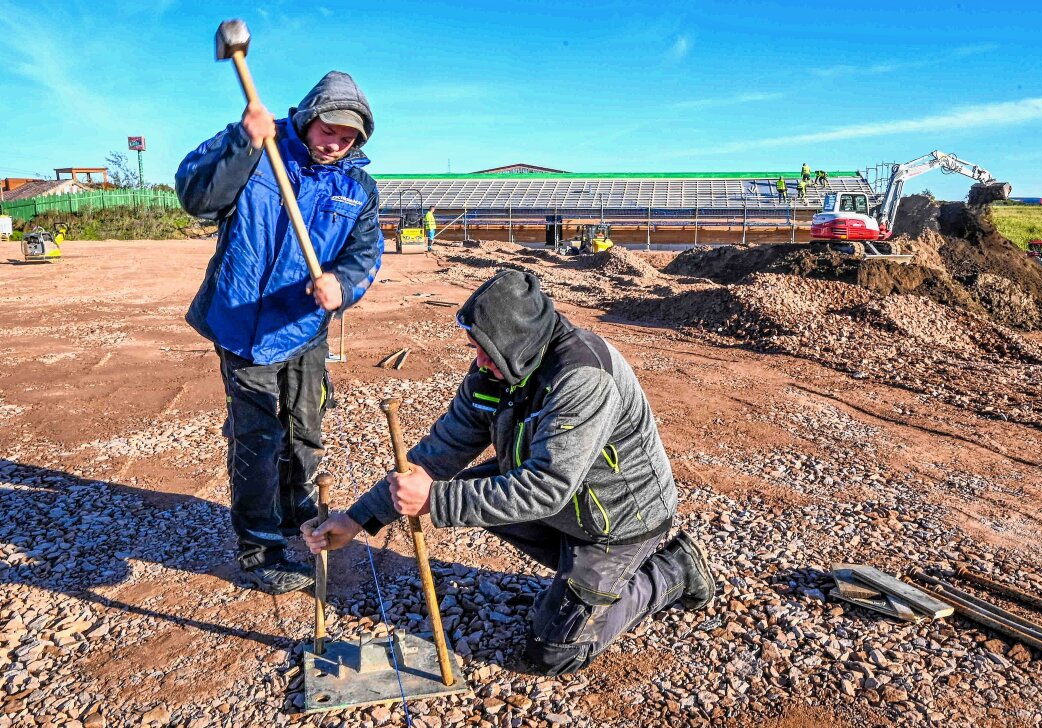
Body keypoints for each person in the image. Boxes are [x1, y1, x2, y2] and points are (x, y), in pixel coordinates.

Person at [303, 270, 715, 675]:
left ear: (519, 341)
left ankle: (670, 570)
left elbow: (547, 487)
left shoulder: (582, 378)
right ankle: (578, 572)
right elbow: (437, 455)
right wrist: (357, 519)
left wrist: (435, 499)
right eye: (476, 347)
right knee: (457, 490)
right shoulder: (495, 371)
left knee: (554, 652)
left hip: (618, 520)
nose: (479, 360)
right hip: (568, 502)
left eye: (487, 350)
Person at [176, 71, 384, 595]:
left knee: (306, 428)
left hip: (306, 327)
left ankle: (298, 513)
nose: (335, 142)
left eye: (348, 137)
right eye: (328, 129)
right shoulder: (260, 151)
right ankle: (260, 549)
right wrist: (240, 142)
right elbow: (196, 197)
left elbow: (364, 254)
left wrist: (343, 284)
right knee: (258, 437)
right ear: (308, 116)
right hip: (243, 327)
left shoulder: (357, 188)